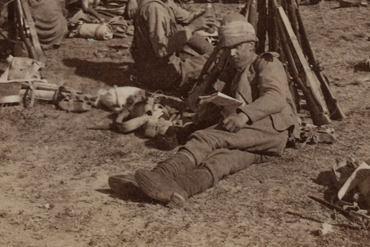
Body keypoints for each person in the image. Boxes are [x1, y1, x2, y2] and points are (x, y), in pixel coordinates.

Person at [111, 13, 300, 208]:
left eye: (237, 47)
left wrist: (243, 116)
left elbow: (275, 97)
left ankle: (160, 174)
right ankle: (179, 189)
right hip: (263, 141)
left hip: (272, 128)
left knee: (207, 138)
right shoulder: (234, 70)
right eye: (228, 49)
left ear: (251, 45)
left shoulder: (267, 63)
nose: (232, 53)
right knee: (223, 160)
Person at [130, 0, 216, 93]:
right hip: (161, 76)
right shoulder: (155, 7)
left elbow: (186, 17)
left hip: (156, 68)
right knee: (217, 61)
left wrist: (204, 16)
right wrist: (194, 26)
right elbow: (162, 49)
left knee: (205, 47)